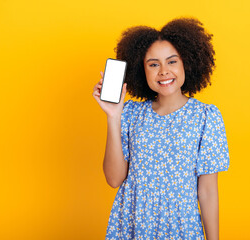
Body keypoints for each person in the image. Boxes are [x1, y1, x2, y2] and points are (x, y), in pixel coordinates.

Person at [92, 17, 230, 240]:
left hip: (181, 226)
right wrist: (113, 116)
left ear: (187, 63)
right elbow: (114, 179)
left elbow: (207, 191)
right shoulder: (129, 113)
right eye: (154, 64)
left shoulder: (206, 117)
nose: (164, 71)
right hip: (134, 223)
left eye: (172, 61)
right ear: (141, 70)